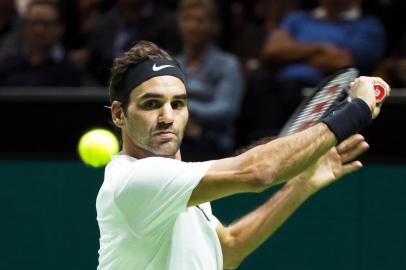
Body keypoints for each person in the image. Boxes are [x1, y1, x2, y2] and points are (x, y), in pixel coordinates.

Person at [96, 40, 390, 269]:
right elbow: (259, 171)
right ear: (120, 114)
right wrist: (357, 110)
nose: (167, 116)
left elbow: (228, 249)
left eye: (178, 104)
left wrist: (302, 185)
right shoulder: (136, 180)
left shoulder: (179, 186)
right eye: (151, 104)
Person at [176, 0, 244, 160]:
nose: (193, 26)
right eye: (187, 19)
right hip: (176, 137)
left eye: (199, 21)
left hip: (212, 143)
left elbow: (226, 110)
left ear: (214, 27)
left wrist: (182, 108)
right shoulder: (173, 63)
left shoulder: (228, 64)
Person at [0, 0, 81, 86]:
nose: (38, 30)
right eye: (33, 23)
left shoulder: (72, 71)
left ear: (60, 28)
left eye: (45, 23)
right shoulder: (9, 67)